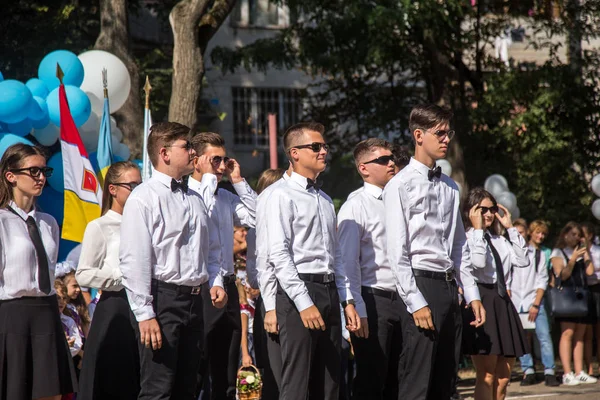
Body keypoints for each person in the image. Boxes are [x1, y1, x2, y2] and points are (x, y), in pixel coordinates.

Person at [383, 104, 486, 400]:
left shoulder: (451, 187)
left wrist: (472, 292)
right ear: (418, 135)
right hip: (418, 284)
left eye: (448, 133)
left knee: (445, 381)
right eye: (439, 133)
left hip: (448, 287)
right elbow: (397, 251)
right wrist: (415, 301)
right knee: (417, 381)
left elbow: (458, 246)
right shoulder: (399, 185)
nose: (446, 139)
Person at [119, 122, 227, 399]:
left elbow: (211, 248)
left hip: (195, 300)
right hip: (162, 298)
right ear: (164, 153)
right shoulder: (144, 197)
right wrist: (145, 314)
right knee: (158, 388)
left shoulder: (194, 198)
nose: (193, 152)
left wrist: (215, 280)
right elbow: (135, 259)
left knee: (188, 387)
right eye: (186, 146)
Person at [258, 122, 360, 399]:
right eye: (315, 146)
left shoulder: (325, 199)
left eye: (325, 146)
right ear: (294, 153)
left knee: (330, 383)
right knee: (297, 383)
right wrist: (304, 304)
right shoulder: (279, 195)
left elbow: (336, 257)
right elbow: (278, 255)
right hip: (298, 291)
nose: (323, 151)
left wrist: (347, 301)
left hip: (329, 290)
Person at [0, 143, 77, 400]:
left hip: (46, 311)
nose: (41, 178)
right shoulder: (1, 221)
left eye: (45, 171)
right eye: (34, 171)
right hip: (12, 314)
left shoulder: (48, 223)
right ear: (11, 175)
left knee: (50, 393)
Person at [188, 132, 257, 400]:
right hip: (201, 287)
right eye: (215, 160)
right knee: (195, 369)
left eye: (223, 159)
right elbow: (200, 218)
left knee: (227, 373)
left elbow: (255, 217)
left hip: (227, 284)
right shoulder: (187, 194)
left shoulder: (225, 197)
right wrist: (207, 177)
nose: (220, 166)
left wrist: (237, 180)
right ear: (197, 160)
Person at [336, 138, 400, 399]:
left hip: (404, 298)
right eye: (383, 160)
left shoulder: (398, 199)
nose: (392, 163)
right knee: (372, 380)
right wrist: (356, 307)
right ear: (364, 168)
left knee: (400, 378)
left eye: (392, 157)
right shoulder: (356, 205)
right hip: (373, 300)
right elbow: (347, 262)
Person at [76, 161, 142, 400]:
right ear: (112, 189)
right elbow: (83, 273)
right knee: (115, 378)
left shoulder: (146, 224)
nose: (138, 190)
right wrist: (120, 276)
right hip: (116, 305)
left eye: (140, 184)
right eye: (131, 185)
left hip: (145, 304)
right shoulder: (100, 226)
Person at [462, 188, 530, 400]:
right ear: (471, 211)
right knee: (487, 375)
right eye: (483, 210)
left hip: (502, 303)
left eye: (492, 209)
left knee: (503, 378)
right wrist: (477, 231)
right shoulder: (466, 238)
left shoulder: (501, 240)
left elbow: (523, 260)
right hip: (481, 301)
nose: (489, 214)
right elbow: (478, 262)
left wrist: (510, 229)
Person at [250, 167, 287, 400]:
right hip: (271, 300)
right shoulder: (257, 227)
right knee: (274, 373)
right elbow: (256, 275)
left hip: (295, 298)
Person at [511, 220, 560, 386]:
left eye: (521, 232)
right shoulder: (509, 253)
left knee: (544, 336)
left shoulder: (538, 254)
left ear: (526, 233)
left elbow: (542, 280)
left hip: (534, 301)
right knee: (522, 338)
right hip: (516, 302)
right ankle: (528, 370)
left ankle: (549, 371)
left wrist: (536, 304)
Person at [550, 221, 597, 385]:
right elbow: (562, 275)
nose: (576, 238)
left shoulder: (581, 251)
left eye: (578, 235)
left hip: (582, 296)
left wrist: (585, 253)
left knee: (580, 335)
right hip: (567, 296)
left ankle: (579, 372)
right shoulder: (558, 251)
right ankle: (567, 372)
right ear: (565, 235)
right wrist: (572, 259)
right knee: (567, 333)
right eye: (573, 234)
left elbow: (590, 272)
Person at [582, 221, 600, 377]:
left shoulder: (597, 250)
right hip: (582, 291)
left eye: (584, 235)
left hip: (597, 289)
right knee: (586, 333)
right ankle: (588, 368)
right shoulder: (576, 251)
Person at [55, 279, 84, 361]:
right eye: (57, 298)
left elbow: (78, 343)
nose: (61, 301)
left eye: (64, 298)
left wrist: (67, 349)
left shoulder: (68, 321)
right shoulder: (45, 321)